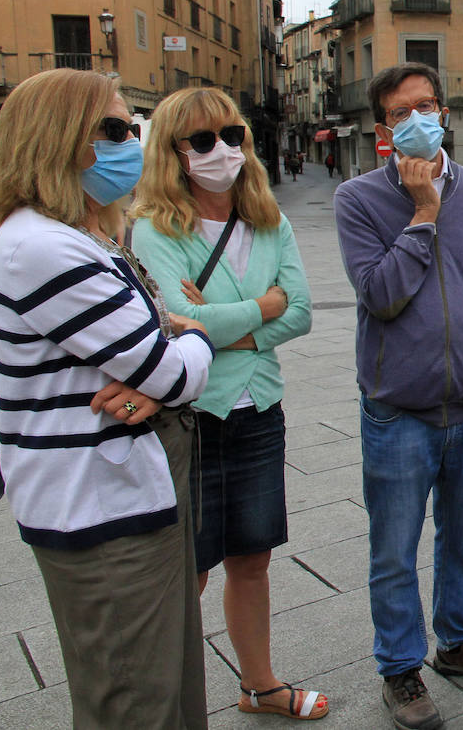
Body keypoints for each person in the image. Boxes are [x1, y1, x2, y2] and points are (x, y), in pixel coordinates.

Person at [0, 68, 215, 727]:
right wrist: (196, 336)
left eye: (131, 129)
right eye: (112, 129)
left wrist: (167, 349)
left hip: (127, 490)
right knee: (133, 698)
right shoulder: (46, 247)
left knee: (167, 685)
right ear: (55, 140)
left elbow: (152, 356)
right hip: (101, 509)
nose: (130, 143)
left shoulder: (77, 238)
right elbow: (171, 371)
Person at [333, 63, 463, 729]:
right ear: (384, 129)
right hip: (397, 412)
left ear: (444, 112)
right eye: (398, 112)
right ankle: (400, 669)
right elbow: (380, 296)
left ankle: (460, 641)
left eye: (424, 105)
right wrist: (422, 214)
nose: (414, 118)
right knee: (393, 549)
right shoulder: (358, 200)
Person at [130, 88, 322, 720]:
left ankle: (259, 687)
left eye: (232, 135)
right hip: (190, 416)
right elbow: (174, 322)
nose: (222, 150)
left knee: (252, 558)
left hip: (259, 410)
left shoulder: (272, 220)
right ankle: (172, 703)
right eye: (203, 141)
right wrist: (259, 307)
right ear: (174, 153)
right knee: (188, 568)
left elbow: (298, 314)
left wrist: (221, 323)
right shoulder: (155, 227)